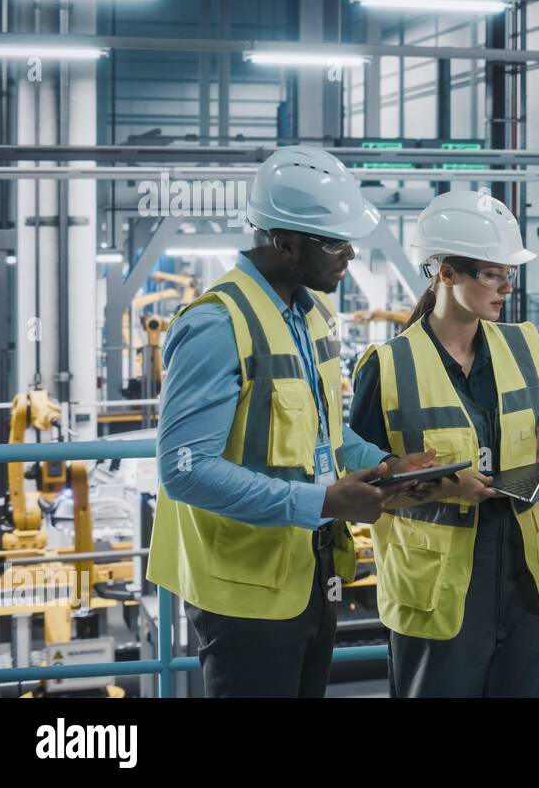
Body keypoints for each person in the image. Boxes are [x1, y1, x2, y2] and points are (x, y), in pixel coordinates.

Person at [148, 146, 433, 698]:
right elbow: (184, 470)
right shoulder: (215, 324)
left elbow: (326, 435)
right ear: (283, 242)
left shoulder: (312, 317)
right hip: (244, 596)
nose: (350, 253)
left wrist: (385, 465)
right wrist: (324, 503)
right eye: (335, 242)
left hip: (311, 573)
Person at [349, 189, 539, 697]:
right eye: (493, 273)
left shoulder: (524, 345)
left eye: (510, 273)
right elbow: (357, 491)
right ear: (445, 273)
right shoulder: (388, 365)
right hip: (436, 592)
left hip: (522, 583)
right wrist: (442, 488)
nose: (507, 286)